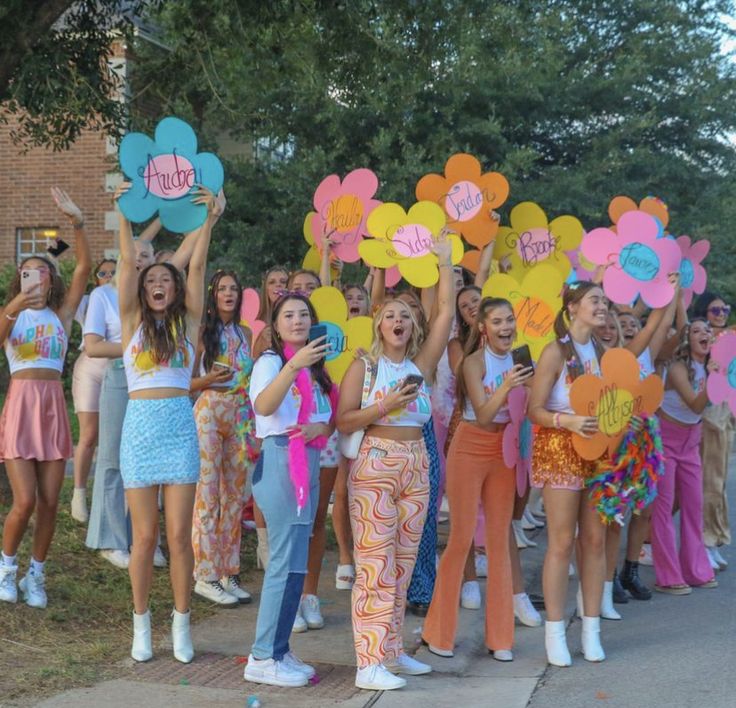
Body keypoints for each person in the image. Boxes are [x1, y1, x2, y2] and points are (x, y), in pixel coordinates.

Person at [337, 235, 453, 691]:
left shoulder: (421, 365)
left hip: (416, 464)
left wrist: (444, 263)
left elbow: (445, 313)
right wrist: (383, 406)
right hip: (376, 462)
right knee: (375, 565)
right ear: (378, 323)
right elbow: (344, 420)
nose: (399, 319)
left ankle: (391, 652)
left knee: (403, 563)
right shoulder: (364, 367)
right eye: (390, 314)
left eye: (405, 314)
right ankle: (368, 662)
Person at [116, 183, 217, 663]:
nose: (159, 283)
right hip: (139, 429)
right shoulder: (132, 319)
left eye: (167, 280)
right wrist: (121, 212)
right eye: (152, 278)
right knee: (144, 538)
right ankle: (141, 626)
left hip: (178, 427)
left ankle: (181, 625)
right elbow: (123, 264)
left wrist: (210, 220)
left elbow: (197, 265)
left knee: (179, 536)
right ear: (143, 287)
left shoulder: (188, 323)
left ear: (174, 290)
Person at [423, 296, 533, 661]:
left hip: (504, 451)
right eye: (498, 321)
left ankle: (501, 638)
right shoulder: (473, 362)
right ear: (483, 328)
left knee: (500, 541)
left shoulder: (520, 359)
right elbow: (484, 414)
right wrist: (507, 386)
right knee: (461, 537)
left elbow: (523, 411)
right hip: (470, 446)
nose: (506, 328)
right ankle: (438, 633)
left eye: (510, 319)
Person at [85, 220, 196, 570]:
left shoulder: (171, 305)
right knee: (113, 459)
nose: (144, 263)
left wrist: (208, 218)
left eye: (148, 258)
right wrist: (123, 213)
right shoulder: (115, 300)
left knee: (173, 522)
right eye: (138, 259)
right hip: (125, 383)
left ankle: (150, 545)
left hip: (171, 406)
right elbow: (93, 345)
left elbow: (189, 259)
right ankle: (113, 538)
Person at [0, 187, 91, 609]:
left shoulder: (61, 315)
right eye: (26, 271)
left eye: (41, 270)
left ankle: (36, 574)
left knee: (51, 502)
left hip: (52, 408)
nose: (34, 275)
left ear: (50, 278)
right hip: (21, 407)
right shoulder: (11, 316)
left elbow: (84, 268)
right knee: (25, 501)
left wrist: (77, 223)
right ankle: (6, 567)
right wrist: (16, 302)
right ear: (18, 278)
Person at [244, 293, 334, 688]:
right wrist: (293, 364)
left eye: (304, 315)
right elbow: (264, 406)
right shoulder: (271, 362)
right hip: (281, 462)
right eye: (289, 315)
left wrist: (320, 428)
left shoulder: (315, 367)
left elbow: (322, 417)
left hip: (307, 463)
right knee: (282, 563)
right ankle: (262, 656)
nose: (298, 321)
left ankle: (279, 649)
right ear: (275, 325)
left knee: (297, 564)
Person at [528, 281, 607, 667]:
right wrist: (568, 421)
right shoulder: (554, 352)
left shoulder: (606, 353)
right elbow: (535, 410)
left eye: (604, 300)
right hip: (560, 450)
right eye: (595, 300)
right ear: (573, 308)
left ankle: (591, 629)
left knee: (594, 541)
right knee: (561, 542)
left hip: (597, 455)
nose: (603, 305)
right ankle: (555, 630)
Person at [191, 270, 255, 606]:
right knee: (208, 493)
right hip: (209, 410)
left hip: (240, 413)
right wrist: (210, 379)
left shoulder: (245, 333)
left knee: (234, 496)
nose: (228, 293)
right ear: (213, 295)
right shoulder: (202, 332)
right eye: (222, 289)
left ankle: (230, 571)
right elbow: (184, 383)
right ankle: (206, 573)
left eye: (234, 288)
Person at [651, 319, 718, 594]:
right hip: (666, 440)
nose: (705, 334)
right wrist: (715, 379)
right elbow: (695, 403)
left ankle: (696, 569)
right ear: (686, 340)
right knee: (663, 509)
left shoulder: (712, 368)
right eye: (697, 331)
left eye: (708, 331)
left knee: (694, 506)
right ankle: (668, 575)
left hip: (691, 441)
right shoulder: (678, 368)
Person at [70, 258, 117, 523]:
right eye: (103, 272)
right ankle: (79, 493)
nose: (109, 276)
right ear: (96, 278)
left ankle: (107, 494)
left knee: (115, 436)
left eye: (114, 271)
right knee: (89, 433)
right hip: (90, 369)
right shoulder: (89, 300)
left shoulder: (128, 297)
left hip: (120, 369)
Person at [692, 291, 734, 571]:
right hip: (707, 415)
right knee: (708, 481)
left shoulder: (729, 341)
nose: (721, 315)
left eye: (725, 309)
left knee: (719, 483)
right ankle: (704, 541)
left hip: (725, 414)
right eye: (715, 311)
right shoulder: (701, 341)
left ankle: (716, 538)